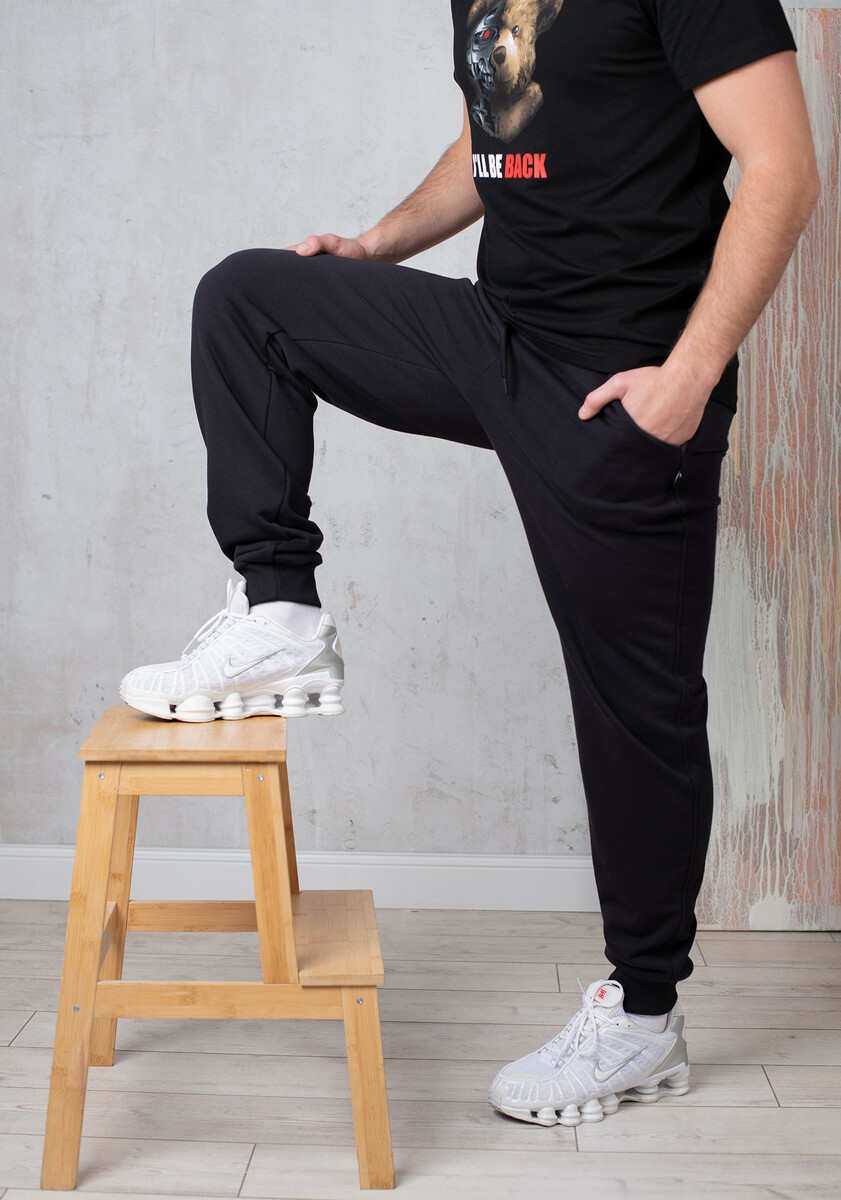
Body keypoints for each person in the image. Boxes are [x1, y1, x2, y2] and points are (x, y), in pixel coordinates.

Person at [120, 0, 819, 1128]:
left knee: (636, 709)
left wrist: (687, 378)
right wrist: (373, 247)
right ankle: (281, 611)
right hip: (495, 335)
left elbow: (782, 168)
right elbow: (488, 138)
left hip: (620, 387)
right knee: (248, 299)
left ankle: (642, 1018)